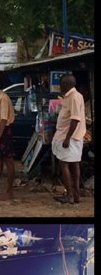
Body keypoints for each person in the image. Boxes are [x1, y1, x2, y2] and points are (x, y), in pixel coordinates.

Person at [51, 74, 86, 205]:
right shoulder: (71, 97)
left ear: (65, 84)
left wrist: (67, 138)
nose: (60, 86)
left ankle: (70, 195)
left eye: (61, 84)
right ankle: (75, 195)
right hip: (70, 136)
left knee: (65, 164)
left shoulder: (75, 97)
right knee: (74, 164)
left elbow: (75, 119)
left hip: (69, 137)